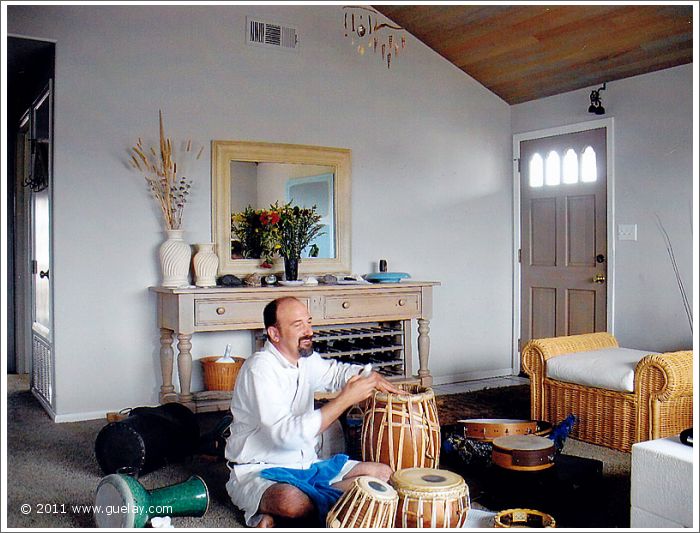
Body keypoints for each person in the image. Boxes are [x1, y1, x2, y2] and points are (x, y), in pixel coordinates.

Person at [225, 296, 402, 528]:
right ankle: (309, 508)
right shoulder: (259, 369)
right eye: (298, 325)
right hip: (262, 470)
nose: (309, 331)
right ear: (274, 334)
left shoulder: (305, 361)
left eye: (309, 322)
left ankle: (291, 514)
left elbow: (336, 373)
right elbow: (285, 436)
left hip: (308, 466)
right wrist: (345, 399)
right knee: (290, 501)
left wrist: (366, 375)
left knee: (383, 476)